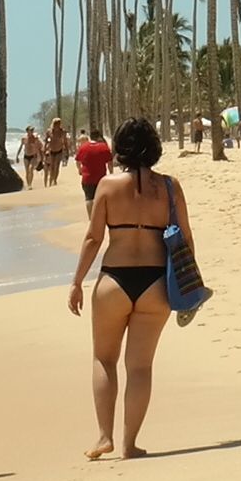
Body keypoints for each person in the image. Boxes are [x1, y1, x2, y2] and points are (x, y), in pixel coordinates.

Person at [67, 118, 191, 462]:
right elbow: (186, 240)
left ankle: (104, 436)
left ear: (119, 147)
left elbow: (94, 238)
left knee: (103, 359)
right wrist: (188, 284)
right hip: (155, 283)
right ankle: (130, 442)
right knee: (140, 367)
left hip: (114, 281)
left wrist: (77, 281)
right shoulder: (170, 187)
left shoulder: (107, 186)